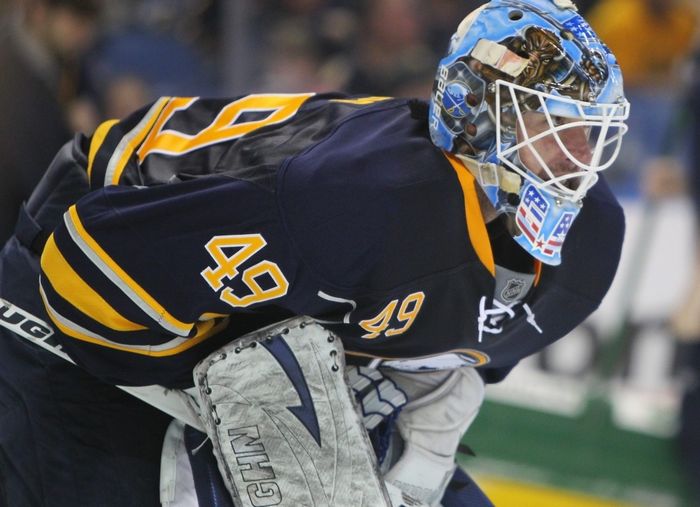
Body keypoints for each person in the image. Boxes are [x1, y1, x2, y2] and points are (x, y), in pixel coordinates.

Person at [0, 0, 629, 505]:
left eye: (590, 133)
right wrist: (227, 398)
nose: (577, 159)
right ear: (475, 114)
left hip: (212, 285)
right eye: (554, 126)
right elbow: (89, 270)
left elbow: (450, 352)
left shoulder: (590, 246)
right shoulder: (354, 201)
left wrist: (409, 430)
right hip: (88, 279)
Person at [0, 0, 99, 246]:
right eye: (75, 19)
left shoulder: (69, 66)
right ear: (40, 12)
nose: (83, 34)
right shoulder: (9, 72)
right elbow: (33, 178)